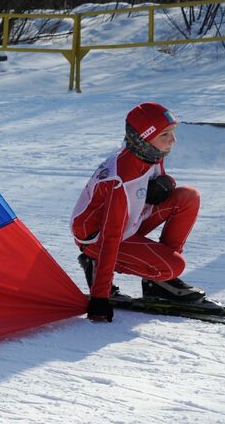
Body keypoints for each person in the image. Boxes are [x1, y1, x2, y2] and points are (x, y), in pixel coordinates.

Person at [72, 102, 205, 323]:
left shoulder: (149, 153)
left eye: (172, 132)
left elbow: (151, 182)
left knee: (188, 197)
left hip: (128, 218)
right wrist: (100, 297)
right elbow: (110, 236)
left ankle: (161, 282)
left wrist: (166, 183)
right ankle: (94, 262)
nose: (173, 140)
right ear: (144, 137)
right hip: (98, 237)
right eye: (165, 134)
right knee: (175, 265)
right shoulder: (122, 179)